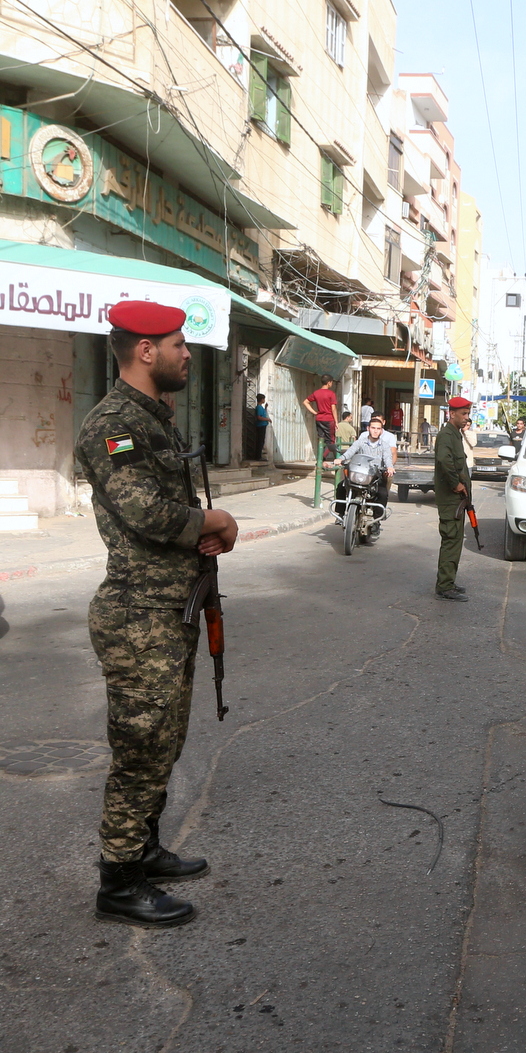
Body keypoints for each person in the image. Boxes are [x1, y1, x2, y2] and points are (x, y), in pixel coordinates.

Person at [73, 300, 240, 928]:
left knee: (166, 739)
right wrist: (213, 522)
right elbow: (143, 511)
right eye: (178, 344)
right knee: (140, 747)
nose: (186, 355)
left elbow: (173, 509)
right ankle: (118, 883)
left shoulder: (153, 419)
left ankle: (142, 850)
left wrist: (208, 534)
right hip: (137, 615)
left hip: (169, 608)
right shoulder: (112, 424)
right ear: (145, 350)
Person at [433, 396, 473, 601]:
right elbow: (444, 461)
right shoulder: (447, 435)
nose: (467, 418)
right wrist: (456, 484)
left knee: (455, 540)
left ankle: (448, 581)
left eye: (468, 413)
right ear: (452, 414)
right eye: (464, 414)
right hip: (450, 498)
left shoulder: (456, 434)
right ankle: (444, 585)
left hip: (457, 499)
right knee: (450, 540)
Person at [328, 416, 394, 540]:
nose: (375, 431)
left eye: (378, 429)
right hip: (358, 474)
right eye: (373, 428)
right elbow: (351, 451)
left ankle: (376, 521)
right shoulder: (360, 442)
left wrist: (389, 467)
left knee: (383, 493)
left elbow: (388, 458)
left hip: (374, 477)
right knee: (341, 487)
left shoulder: (384, 445)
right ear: (368, 428)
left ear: (381, 431)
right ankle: (341, 514)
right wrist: (341, 459)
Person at [302, 376, 338, 461]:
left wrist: (314, 412)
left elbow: (305, 402)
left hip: (319, 419)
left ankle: (321, 459)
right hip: (329, 419)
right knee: (331, 441)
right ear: (329, 382)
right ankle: (321, 459)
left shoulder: (316, 393)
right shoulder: (331, 394)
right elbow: (333, 408)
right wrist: (336, 421)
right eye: (331, 382)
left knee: (321, 439)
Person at [252, 393, 269, 461]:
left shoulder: (261, 407)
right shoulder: (259, 407)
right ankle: (258, 456)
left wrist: (265, 407)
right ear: (262, 399)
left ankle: (259, 456)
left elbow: (263, 414)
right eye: (264, 399)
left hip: (262, 425)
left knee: (261, 441)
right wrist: (267, 419)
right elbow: (259, 417)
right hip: (260, 426)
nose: (264, 400)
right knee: (260, 441)